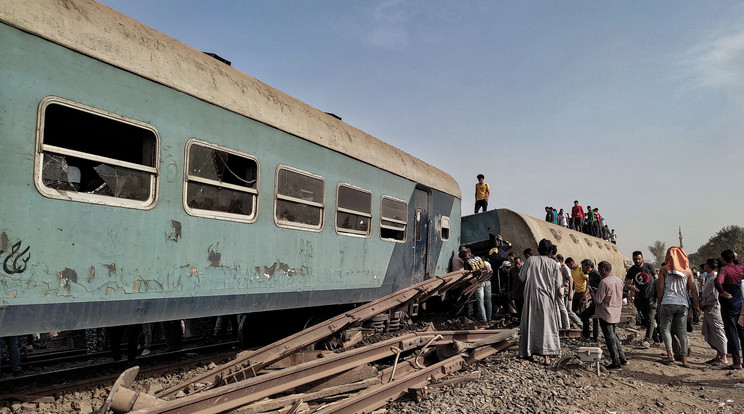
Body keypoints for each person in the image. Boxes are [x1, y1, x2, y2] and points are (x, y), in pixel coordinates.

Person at [519, 239, 562, 365]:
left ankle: (529, 352)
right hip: (547, 298)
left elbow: (522, 277)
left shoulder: (530, 260)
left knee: (530, 323)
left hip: (531, 296)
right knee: (546, 326)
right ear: (550, 251)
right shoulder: (554, 264)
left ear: (538, 249)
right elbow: (558, 284)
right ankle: (547, 356)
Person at [657, 246, 700, 368]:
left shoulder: (664, 270)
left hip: (667, 302)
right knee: (682, 332)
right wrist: (697, 305)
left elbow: (660, 288)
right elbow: (693, 289)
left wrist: (659, 302)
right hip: (682, 304)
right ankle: (684, 360)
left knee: (665, 329)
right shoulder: (687, 271)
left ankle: (670, 355)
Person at [594, 261, 627, 370]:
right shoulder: (618, 280)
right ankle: (622, 358)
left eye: (599, 270)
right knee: (614, 336)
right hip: (616, 312)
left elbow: (598, 300)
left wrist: (593, 293)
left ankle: (616, 361)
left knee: (610, 339)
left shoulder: (604, 282)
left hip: (606, 313)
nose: (599, 272)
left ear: (603, 270)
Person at [715, 249, 744, 369]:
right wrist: (735, 258)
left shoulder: (724, 269)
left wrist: (722, 292)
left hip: (729, 304)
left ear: (723, 259)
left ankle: (736, 362)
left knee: (732, 333)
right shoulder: (739, 268)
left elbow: (718, 282)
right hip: (740, 303)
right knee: (742, 332)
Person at [624, 251, 657, 347]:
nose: (637, 261)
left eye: (639, 259)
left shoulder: (649, 267)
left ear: (642, 258)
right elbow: (627, 285)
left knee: (651, 318)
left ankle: (648, 340)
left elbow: (657, 280)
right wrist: (631, 288)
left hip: (651, 297)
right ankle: (657, 339)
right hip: (639, 298)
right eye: (635, 259)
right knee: (646, 319)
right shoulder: (631, 271)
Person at [700, 258, 728, 366]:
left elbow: (714, 297)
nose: (704, 267)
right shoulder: (710, 277)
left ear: (709, 266)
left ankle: (724, 357)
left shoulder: (716, 278)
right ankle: (718, 355)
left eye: (706, 265)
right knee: (712, 333)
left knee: (718, 332)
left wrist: (703, 303)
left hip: (714, 309)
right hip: (708, 309)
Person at [558, 255, 582, 329]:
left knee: (568, 311)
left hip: (568, 291)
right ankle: (565, 325)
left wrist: (570, 293)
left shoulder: (565, 268)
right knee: (564, 309)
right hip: (565, 291)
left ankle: (581, 325)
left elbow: (570, 280)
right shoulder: (562, 268)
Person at [579, 259, 602, 341]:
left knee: (586, 315)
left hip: (599, 301)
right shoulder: (590, 275)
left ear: (588, 267)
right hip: (595, 301)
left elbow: (603, 285)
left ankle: (588, 336)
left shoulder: (596, 274)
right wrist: (584, 296)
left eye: (583, 268)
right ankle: (591, 336)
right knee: (588, 316)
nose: (582, 269)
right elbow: (589, 287)